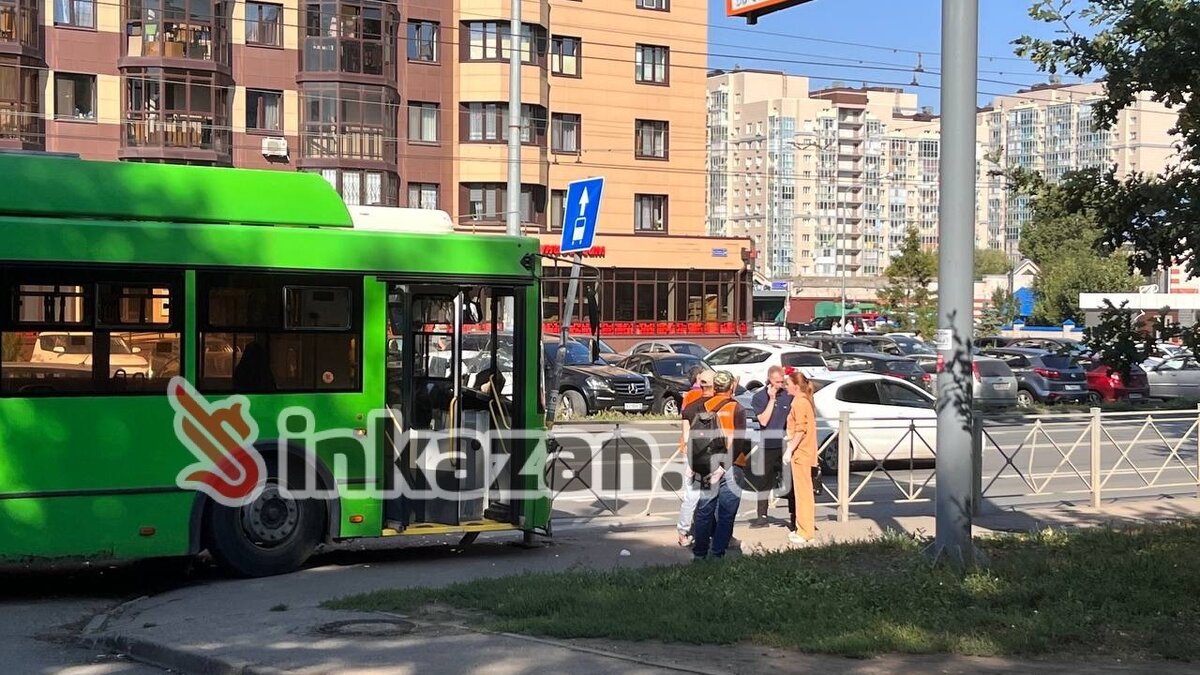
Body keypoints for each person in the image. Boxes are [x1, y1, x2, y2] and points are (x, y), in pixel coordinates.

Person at [683, 370, 751, 561]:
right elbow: (738, 441)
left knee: (705, 510)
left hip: (706, 464)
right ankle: (717, 553)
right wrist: (723, 467)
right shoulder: (737, 408)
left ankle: (700, 553)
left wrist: (694, 463)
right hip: (731, 466)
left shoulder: (702, 405)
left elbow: (694, 437)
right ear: (732, 387)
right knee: (726, 513)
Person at [748, 365, 792, 528]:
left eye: (782, 381)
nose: (780, 385)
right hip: (768, 444)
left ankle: (795, 517)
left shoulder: (788, 395)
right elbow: (764, 421)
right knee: (764, 480)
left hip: (786, 442)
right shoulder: (759, 397)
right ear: (769, 380)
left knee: (791, 480)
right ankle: (762, 516)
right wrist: (772, 399)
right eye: (777, 382)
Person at [675, 367, 714, 547]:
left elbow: (686, 434)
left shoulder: (690, 404)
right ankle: (694, 530)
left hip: (694, 453)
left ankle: (685, 532)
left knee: (693, 495)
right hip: (707, 455)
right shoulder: (717, 404)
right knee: (706, 495)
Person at [784, 370, 819, 545]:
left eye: (788, 385)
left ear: (796, 387)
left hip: (801, 454)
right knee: (804, 493)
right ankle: (804, 529)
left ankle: (805, 532)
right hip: (804, 452)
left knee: (803, 494)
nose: (786, 387)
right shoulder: (804, 401)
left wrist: (789, 449)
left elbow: (800, 430)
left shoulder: (799, 402)